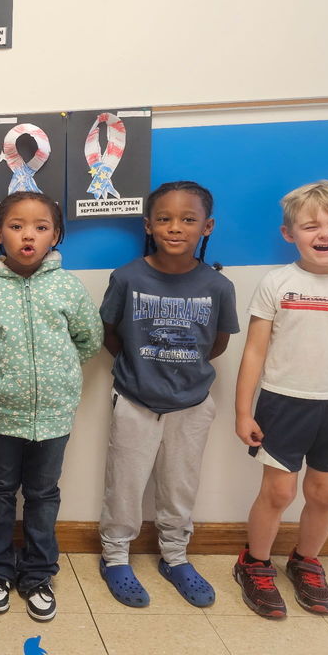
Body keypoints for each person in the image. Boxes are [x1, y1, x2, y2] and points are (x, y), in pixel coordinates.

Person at [0, 192, 102, 622]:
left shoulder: (66, 286)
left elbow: (90, 339)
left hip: (54, 415)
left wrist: (58, 375)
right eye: (16, 225)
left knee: (44, 494)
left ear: (56, 235)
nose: (28, 234)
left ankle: (39, 573)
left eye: (40, 226)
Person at [98, 181, 238, 609]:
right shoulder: (126, 277)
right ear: (149, 225)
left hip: (192, 404)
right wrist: (141, 373)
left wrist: (181, 372)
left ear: (207, 226)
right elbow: (110, 333)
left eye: (188, 219)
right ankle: (115, 556)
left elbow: (217, 344)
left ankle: (175, 557)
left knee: (180, 486)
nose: (175, 227)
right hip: (136, 401)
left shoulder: (218, 286)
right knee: (124, 484)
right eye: (164, 219)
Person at [233, 180, 328, 618]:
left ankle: (306, 562)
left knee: (324, 493)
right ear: (290, 234)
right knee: (279, 492)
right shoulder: (277, 282)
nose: (323, 233)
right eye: (310, 226)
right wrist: (243, 410)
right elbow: (254, 351)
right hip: (284, 404)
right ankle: (255, 563)